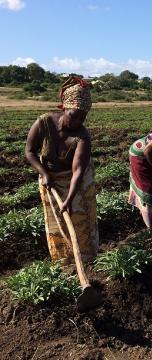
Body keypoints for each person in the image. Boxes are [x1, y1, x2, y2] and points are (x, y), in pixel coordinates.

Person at [25, 76, 98, 263]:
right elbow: (30, 152)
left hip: (77, 181)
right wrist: (44, 174)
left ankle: (86, 259)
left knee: (81, 218)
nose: (78, 121)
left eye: (83, 117)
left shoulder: (83, 137)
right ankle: (64, 260)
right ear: (64, 107)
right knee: (56, 221)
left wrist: (69, 199)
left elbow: (78, 172)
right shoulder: (44, 122)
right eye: (75, 115)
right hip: (49, 177)